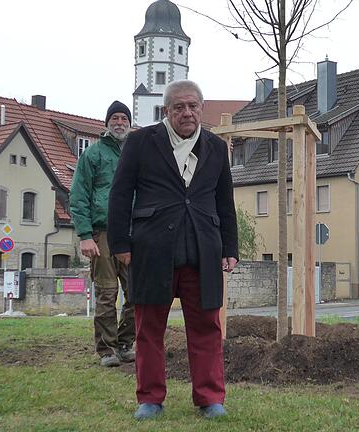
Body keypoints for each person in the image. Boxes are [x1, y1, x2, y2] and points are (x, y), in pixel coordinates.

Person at [107, 79, 238, 420]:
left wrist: (230, 247)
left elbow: (225, 201)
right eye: (178, 107)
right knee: (148, 328)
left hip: (202, 249)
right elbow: (120, 194)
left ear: (201, 108)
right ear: (166, 111)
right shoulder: (139, 142)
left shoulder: (215, 146)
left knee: (208, 327)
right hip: (152, 248)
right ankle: (149, 398)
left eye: (193, 106)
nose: (187, 112)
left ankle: (210, 398)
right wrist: (120, 243)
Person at [70, 101, 136, 368]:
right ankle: (106, 349)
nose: (120, 123)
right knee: (107, 293)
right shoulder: (93, 155)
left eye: (124, 118)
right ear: (107, 123)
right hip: (103, 233)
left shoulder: (136, 153)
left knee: (137, 293)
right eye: (115, 118)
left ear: (130, 124)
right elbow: (78, 195)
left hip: (134, 232)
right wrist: (85, 234)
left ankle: (125, 342)